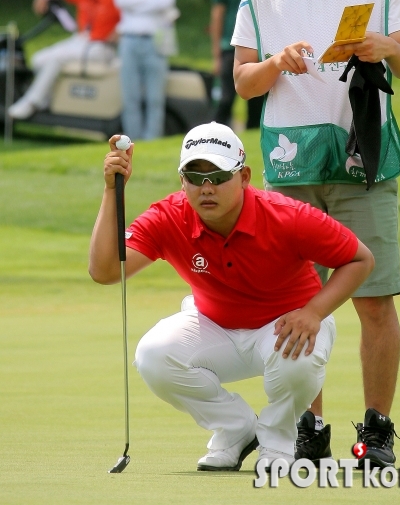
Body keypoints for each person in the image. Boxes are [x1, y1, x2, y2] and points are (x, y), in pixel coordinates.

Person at [232, 0, 400, 468]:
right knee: (299, 302)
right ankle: (311, 429)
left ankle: (378, 431)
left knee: (373, 299)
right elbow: (243, 82)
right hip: (291, 167)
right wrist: (273, 65)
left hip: (361, 158)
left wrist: (387, 46)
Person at [89, 121, 374, 470]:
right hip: (215, 327)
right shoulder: (169, 216)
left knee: (297, 359)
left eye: (219, 176)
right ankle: (236, 428)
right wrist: (110, 190)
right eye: (194, 176)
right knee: (153, 355)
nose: (206, 188)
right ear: (182, 181)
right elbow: (103, 271)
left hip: (285, 326)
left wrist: (314, 312)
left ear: (244, 176)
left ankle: (278, 444)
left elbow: (360, 259)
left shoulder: (287, 216)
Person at [8, 0, 120, 120]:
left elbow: (131, 17)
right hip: (82, 40)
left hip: (103, 46)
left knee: (57, 59)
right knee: (39, 59)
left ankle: (32, 102)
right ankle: (44, 100)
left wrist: (119, 32)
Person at [114, 0, 178, 141]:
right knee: (130, 96)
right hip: (129, 39)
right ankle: (131, 140)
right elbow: (121, 1)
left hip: (155, 40)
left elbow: (164, 2)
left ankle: (152, 139)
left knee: (155, 97)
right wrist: (150, 3)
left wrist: (136, 4)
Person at [210, 0, 267, 130]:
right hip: (229, 45)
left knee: (257, 101)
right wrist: (215, 53)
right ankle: (214, 136)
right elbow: (218, 13)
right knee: (225, 99)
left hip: (258, 45)